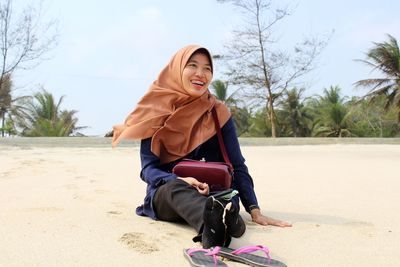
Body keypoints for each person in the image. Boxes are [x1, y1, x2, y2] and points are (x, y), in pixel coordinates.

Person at [112, 44, 291, 248]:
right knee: (176, 189)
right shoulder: (155, 112)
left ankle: (218, 223)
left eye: (207, 68)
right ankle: (214, 225)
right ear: (177, 69)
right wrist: (181, 179)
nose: (201, 74)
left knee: (225, 199)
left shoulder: (218, 113)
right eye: (193, 65)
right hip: (168, 194)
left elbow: (237, 165)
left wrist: (254, 208)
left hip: (213, 192)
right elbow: (148, 170)